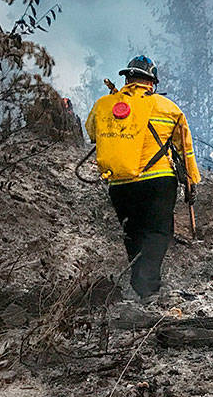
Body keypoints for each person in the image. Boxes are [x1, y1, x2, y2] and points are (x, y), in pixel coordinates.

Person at [85, 55, 201, 299]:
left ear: (127, 79)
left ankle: (140, 285)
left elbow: (93, 133)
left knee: (133, 232)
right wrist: (192, 180)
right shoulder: (168, 108)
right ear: (151, 82)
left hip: (120, 184)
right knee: (157, 232)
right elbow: (184, 149)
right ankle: (147, 288)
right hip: (158, 182)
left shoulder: (104, 105)